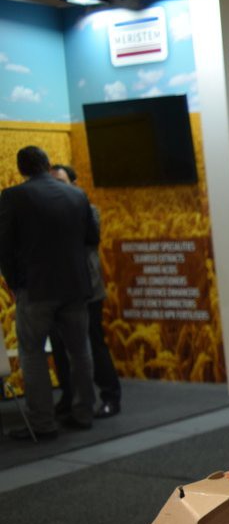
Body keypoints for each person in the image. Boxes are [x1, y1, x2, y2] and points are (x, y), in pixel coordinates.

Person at [0, 145, 98, 439]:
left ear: (21, 169)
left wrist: (15, 284)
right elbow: (91, 238)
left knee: (32, 354)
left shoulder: (14, 196)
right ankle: (84, 413)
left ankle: (43, 423)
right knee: (80, 350)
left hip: (36, 288)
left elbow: (4, 247)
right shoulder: (77, 195)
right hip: (75, 286)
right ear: (47, 164)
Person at [48, 164, 121, 418]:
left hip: (87, 289)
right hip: (56, 290)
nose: (55, 188)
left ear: (74, 185)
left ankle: (110, 396)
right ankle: (69, 397)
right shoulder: (46, 214)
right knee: (59, 346)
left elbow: (86, 240)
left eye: (61, 182)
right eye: (51, 183)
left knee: (94, 343)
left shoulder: (89, 211)